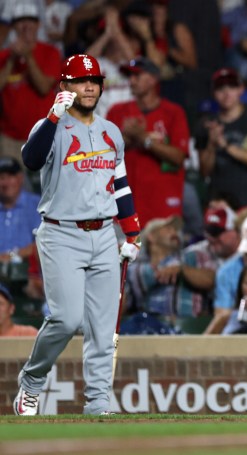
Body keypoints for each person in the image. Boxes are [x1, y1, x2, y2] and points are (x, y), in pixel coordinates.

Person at [14, 54, 142, 416]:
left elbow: (120, 185)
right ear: (65, 87)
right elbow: (31, 159)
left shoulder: (111, 131)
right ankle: (32, 382)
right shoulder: (50, 126)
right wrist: (54, 115)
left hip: (104, 235)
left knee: (102, 330)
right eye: (80, 80)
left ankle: (98, 406)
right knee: (67, 319)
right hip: (61, 233)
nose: (89, 86)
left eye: (95, 80)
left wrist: (131, 232)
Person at [107, 57, 190, 227]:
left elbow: (178, 157)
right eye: (129, 76)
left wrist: (143, 139)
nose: (131, 81)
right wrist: (128, 138)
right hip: (122, 211)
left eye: (137, 76)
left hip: (161, 210)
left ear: (153, 79)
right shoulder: (117, 111)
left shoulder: (173, 113)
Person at [197, 67, 247, 208]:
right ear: (213, 93)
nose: (226, 93)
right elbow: (204, 171)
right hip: (218, 199)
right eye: (220, 88)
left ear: (241, 89)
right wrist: (211, 144)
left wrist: (225, 145)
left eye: (231, 87)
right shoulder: (206, 124)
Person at [0, 3, 62, 168]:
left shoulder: (51, 52)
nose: (26, 25)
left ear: (38, 24)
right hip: (10, 138)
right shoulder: (4, 56)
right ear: (14, 26)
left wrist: (28, 56)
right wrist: (11, 59)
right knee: (10, 189)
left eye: (31, 20)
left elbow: (43, 87)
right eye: (21, 21)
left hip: (43, 136)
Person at [0, 157, 40, 264]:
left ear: (20, 178)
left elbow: (46, 241)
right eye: (2, 178)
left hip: (29, 276)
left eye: (10, 176)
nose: (5, 183)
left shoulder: (38, 206)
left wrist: (12, 256)